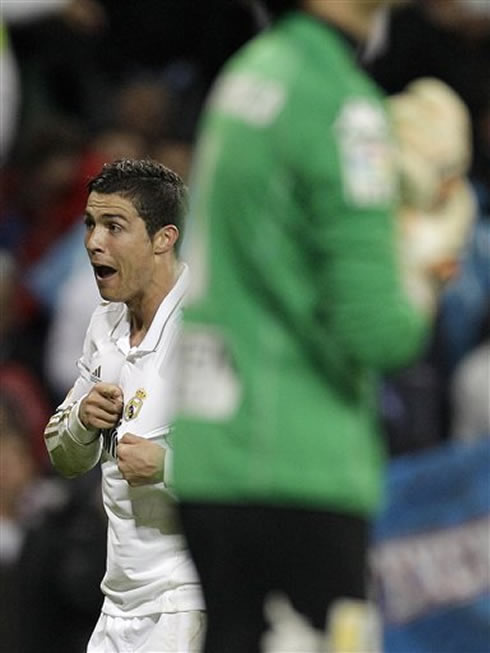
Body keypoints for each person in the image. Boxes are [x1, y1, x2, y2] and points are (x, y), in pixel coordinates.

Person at [170, 1, 474, 652]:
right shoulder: (342, 106)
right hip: (296, 467)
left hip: (210, 459)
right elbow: (379, 332)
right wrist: (424, 264)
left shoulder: (249, 75)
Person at [43, 159, 204, 653]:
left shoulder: (205, 326)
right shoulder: (104, 324)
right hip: (117, 605)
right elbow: (63, 456)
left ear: (164, 238)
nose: (94, 242)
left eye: (114, 226)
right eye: (90, 224)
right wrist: (81, 421)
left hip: (187, 600)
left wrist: (166, 466)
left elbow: (260, 462)